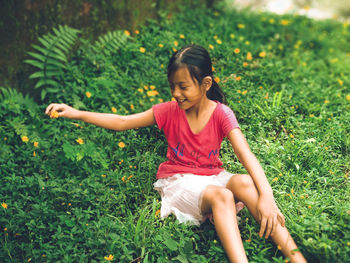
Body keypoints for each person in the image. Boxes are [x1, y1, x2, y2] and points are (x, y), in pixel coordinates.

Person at [45, 44, 307, 263]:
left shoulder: (221, 114)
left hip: (211, 176)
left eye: (183, 86)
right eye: (172, 86)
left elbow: (247, 156)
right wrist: (76, 112)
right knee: (223, 195)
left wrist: (267, 197)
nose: (176, 93)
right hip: (180, 182)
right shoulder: (168, 110)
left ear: (206, 84)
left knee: (246, 182)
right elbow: (123, 121)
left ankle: (297, 258)